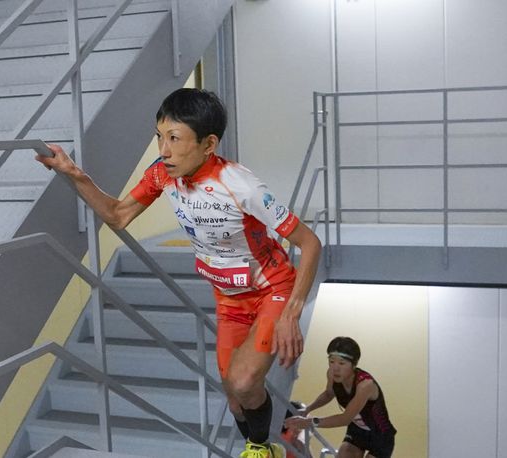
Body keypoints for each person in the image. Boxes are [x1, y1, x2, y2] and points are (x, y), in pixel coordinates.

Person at [35, 88, 321, 458]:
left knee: (244, 379)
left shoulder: (241, 186)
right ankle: (260, 443)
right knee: (235, 399)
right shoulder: (161, 175)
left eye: (174, 139)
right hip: (228, 299)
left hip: (272, 291)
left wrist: (292, 313)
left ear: (208, 144)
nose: (163, 150)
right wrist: (74, 174)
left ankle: (260, 447)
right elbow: (119, 215)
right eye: (159, 137)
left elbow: (310, 243)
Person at [284, 337, 397, 458]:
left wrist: (310, 422)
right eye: (331, 361)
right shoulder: (332, 374)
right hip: (357, 430)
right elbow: (328, 394)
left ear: (354, 365)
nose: (335, 368)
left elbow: (345, 419)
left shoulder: (365, 385)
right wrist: (308, 409)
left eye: (342, 363)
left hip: (380, 435)